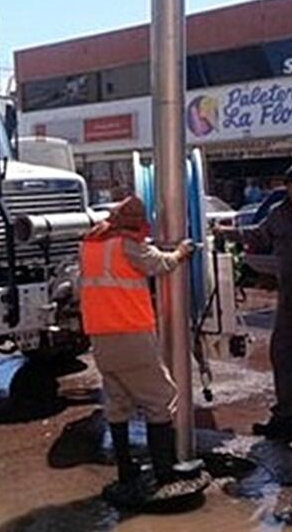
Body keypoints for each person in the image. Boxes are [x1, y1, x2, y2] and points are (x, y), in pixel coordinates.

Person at [215, 162, 292, 455]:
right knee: (283, 359)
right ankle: (285, 419)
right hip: (289, 304)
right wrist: (226, 232)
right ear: (290, 187)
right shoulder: (279, 214)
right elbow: (258, 236)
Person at [80, 195, 195, 505]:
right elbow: (159, 264)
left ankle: (126, 470)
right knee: (160, 398)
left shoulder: (91, 242)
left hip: (100, 335)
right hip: (129, 332)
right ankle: (165, 472)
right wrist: (181, 252)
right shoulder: (128, 244)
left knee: (117, 402)